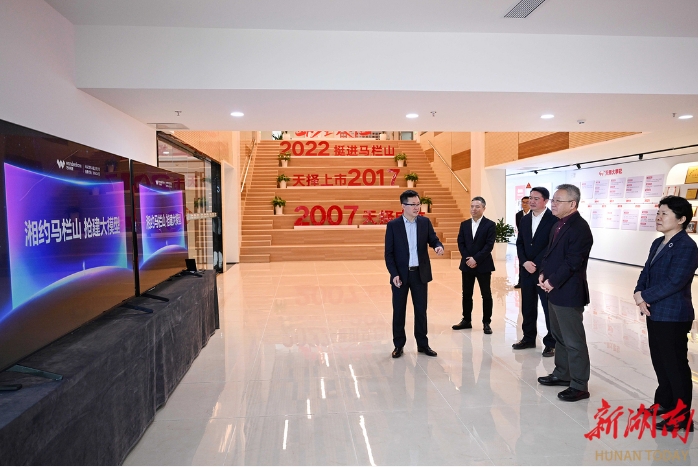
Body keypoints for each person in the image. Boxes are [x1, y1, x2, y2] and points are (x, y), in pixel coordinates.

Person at [633, 196, 698, 432]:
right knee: (660, 361)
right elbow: (646, 272)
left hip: (673, 315)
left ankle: (682, 417)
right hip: (655, 312)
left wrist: (645, 296)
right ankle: (665, 402)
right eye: (658, 213)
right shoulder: (658, 242)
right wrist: (638, 292)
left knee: (675, 365)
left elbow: (675, 281)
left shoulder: (686, 246)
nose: (658, 217)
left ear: (681, 219)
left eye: (664, 213)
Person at [536, 184, 593, 402]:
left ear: (572, 204)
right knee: (559, 336)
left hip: (568, 292)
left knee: (573, 340)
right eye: (553, 200)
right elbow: (549, 255)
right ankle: (562, 373)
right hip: (554, 291)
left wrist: (552, 281)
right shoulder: (558, 224)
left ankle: (579, 385)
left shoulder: (579, 228)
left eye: (558, 201)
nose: (553, 204)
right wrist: (543, 273)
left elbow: (573, 262)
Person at [385, 189, 444, 358]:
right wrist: (394, 274)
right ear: (403, 206)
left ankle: (423, 344)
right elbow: (389, 253)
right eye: (413, 204)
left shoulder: (425, 222)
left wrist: (438, 246)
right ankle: (398, 345)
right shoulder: (393, 225)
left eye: (418, 204)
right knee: (399, 311)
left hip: (420, 274)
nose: (417, 207)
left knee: (421, 310)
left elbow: (433, 239)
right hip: (401, 276)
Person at [513, 187, 557, 356]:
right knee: (528, 306)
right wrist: (524, 262)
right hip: (526, 271)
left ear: (545, 201)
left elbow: (551, 246)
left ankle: (551, 342)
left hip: (544, 272)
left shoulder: (553, 219)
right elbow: (520, 243)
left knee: (548, 308)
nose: (531, 201)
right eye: (530, 198)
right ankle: (528, 338)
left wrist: (536, 264)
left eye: (536, 198)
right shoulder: (524, 219)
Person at [452, 196, 496, 334]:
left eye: (477, 206)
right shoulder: (464, 224)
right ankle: (466, 320)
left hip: (483, 265)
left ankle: (486, 322)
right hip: (467, 265)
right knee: (466, 294)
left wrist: (475, 259)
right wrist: (468, 259)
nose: (474, 209)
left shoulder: (490, 225)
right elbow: (461, 243)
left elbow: (489, 245)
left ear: (483, 208)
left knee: (486, 294)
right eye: (472, 206)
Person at [513, 196, 530, 289]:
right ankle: (521, 281)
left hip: (532, 242)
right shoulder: (518, 215)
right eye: (523, 202)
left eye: (527, 202)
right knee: (521, 260)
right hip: (522, 241)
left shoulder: (533, 214)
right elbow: (519, 228)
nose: (525, 204)